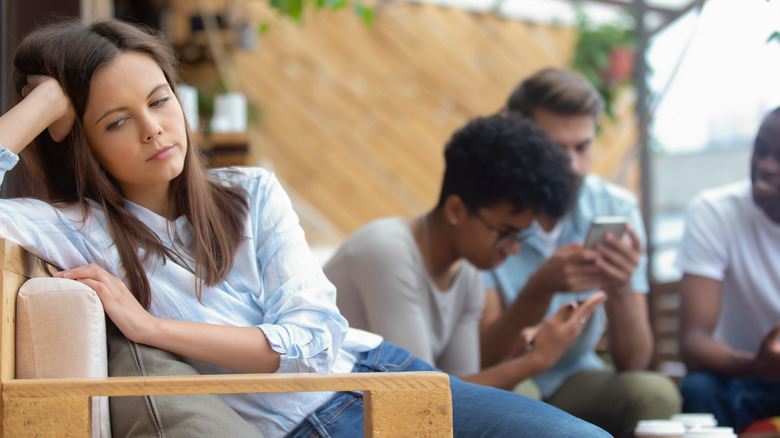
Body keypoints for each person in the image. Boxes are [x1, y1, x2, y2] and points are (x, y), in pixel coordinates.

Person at [0, 19, 611, 438]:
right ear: (83, 143)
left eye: (160, 101)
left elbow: (314, 338)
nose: (154, 129)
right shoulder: (72, 228)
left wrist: (154, 327)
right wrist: (44, 107)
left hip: (375, 380)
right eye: (115, 121)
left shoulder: (249, 193)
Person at [325, 112, 608, 390]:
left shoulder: (468, 271)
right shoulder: (386, 251)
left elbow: (460, 391)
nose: (513, 250)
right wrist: (536, 361)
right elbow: (420, 396)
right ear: (456, 210)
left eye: (521, 235)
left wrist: (525, 357)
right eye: (504, 233)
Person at [481, 67, 680, 438]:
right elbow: (486, 356)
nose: (572, 165)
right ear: (522, 145)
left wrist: (620, 288)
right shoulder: (491, 211)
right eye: (556, 150)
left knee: (654, 392)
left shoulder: (615, 207)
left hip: (578, 375)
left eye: (582, 147)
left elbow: (635, 361)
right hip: (511, 376)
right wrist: (538, 289)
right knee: (514, 401)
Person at [676, 107, 780, 433]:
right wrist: (756, 365)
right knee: (700, 389)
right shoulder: (715, 213)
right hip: (749, 377)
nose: (766, 166)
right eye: (761, 150)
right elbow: (693, 342)